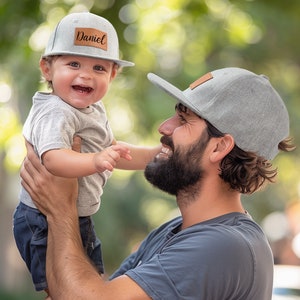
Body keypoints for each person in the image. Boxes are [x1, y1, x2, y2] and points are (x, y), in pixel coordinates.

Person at [20, 67, 295, 299]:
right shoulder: (174, 232)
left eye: (184, 119)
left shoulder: (223, 246)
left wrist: (61, 209)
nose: (164, 127)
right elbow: (81, 289)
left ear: (219, 147)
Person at [13, 12, 160, 295]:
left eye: (99, 68)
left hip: (79, 216)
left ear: (113, 74)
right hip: (41, 217)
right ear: (47, 68)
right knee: (64, 290)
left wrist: (152, 155)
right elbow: (53, 159)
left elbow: (115, 150)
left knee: (91, 285)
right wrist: (94, 161)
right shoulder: (56, 111)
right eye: (74, 63)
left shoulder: (91, 109)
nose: (85, 75)